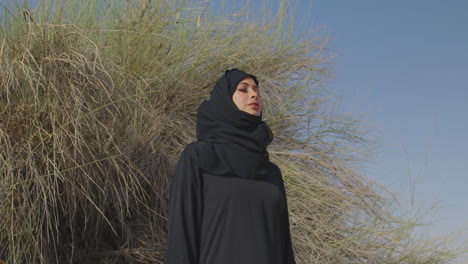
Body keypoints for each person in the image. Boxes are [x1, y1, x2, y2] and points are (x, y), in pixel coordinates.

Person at [165, 69, 296, 264]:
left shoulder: (271, 172)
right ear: (225, 100)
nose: (254, 95)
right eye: (243, 89)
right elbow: (182, 235)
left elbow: (283, 246)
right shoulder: (199, 156)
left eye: (257, 91)